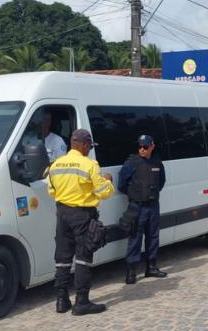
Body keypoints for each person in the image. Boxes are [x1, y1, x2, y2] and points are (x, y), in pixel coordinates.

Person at [47, 129, 115, 315]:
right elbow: (103, 192)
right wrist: (108, 181)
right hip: (82, 215)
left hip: (62, 214)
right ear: (85, 145)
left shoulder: (56, 165)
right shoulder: (89, 165)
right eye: (89, 146)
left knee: (62, 258)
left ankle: (61, 301)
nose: (89, 149)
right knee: (83, 258)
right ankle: (82, 302)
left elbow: (51, 191)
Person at [118, 135, 167, 284]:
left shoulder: (157, 162)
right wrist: (135, 194)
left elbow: (161, 182)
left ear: (152, 146)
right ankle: (131, 271)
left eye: (145, 147)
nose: (142, 149)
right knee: (135, 238)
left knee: (153, 237)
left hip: (152, 205)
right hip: (137, 206)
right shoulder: (131, 163)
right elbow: (121, 184)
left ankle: (151, 267)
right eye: (139, 146)